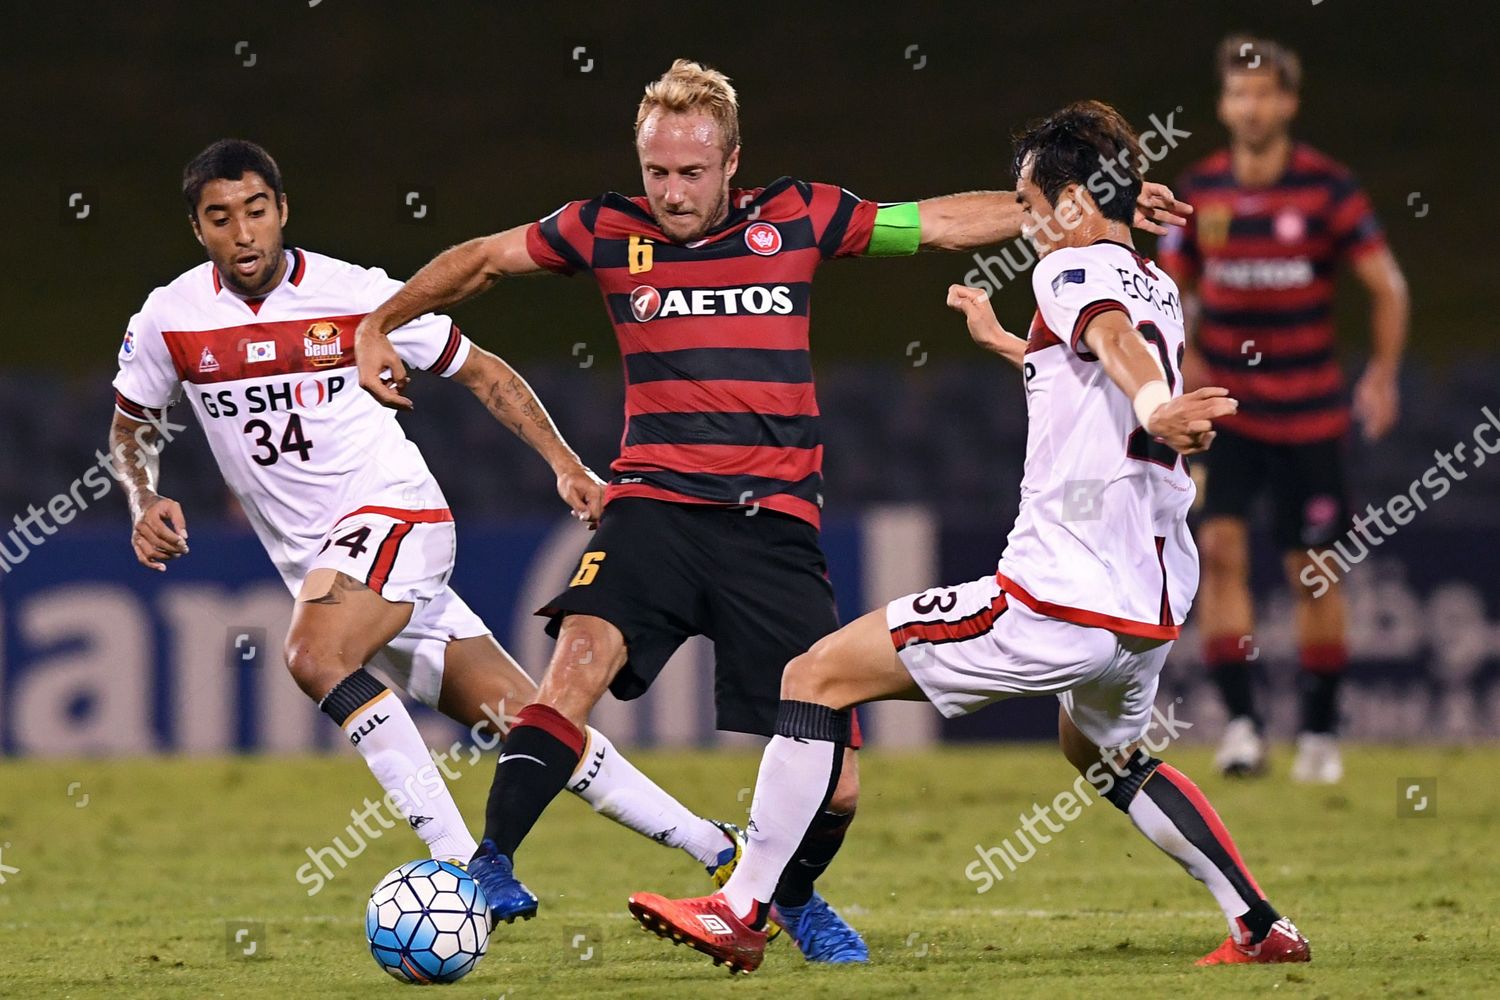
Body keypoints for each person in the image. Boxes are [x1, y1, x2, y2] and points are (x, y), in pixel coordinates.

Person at [355, 60, 1191, 962]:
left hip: (776, 522)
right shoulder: (602, 230)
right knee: (576, 664)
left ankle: (786, 897)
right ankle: (489, 867)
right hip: (655, 503)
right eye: (657, 172)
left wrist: (1086, 208)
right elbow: (479, 262)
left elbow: (939, 224)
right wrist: (379, 322)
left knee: (837, 785)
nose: (672, 194)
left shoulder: (797, 216)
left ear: (732, 161)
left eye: (691, 173)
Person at [627, 101, 1310, 972]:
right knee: (1099, 750)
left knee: (813, 678)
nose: (1021, 222)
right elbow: (1097, 363)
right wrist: (1016, 351)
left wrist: (1153, 404)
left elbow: (1108, 342)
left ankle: (740, 907)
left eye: (1029, 203)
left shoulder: (1068, 271)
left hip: (1058, 594)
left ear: (1067, 201)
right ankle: (1259, 924)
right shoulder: (1157, 281)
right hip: (1147, 603)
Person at [109, 139, 744, 921]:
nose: (243, 233)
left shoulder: (356, 298)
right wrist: (143, 498)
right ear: (197, 231)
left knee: (315, 654)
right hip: (331, 566)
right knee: (531, 721)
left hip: (396, 514)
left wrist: (566, 464)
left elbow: (480, 369)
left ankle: (460, 871)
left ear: (282, 211)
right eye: (220, 219)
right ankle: (720, 848)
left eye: (256, 211)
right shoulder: (172, 317)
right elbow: (131, 424)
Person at [1159, 35, 1409, 782]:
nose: (1252, 105)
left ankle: (1322, 734)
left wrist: (1384, 375)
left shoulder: (1330, 191)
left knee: (1315, 570)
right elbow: (1166, 289)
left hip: (1312, 416)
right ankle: (1240, 726)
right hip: (1228, 412)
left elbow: (1387, 285)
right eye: (1239, 93)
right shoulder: (1199, 192)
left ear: (1289, 103)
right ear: (1223, 105)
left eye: (1265, 92)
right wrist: (1184, 356)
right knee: (1224, 554)